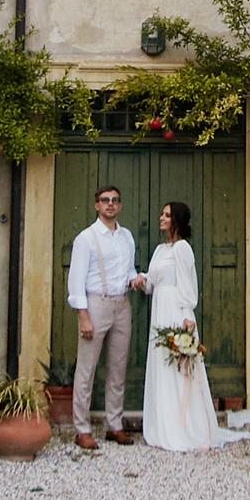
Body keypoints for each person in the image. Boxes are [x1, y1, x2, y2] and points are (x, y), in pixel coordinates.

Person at [138, 200, 247, 452]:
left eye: (166, 215)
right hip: (160, 309)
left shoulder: (182, 248)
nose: (161, 218)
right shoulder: (159, 250)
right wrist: (140, 280)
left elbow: (187, 283)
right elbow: (153, 284)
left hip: (177, 311)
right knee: (161, 364)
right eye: (162, 214)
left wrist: (187, 316)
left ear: (176, 220)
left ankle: (184, 425)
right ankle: (162, 424)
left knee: (179, 367)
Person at [66, 184, 139, 448]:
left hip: (122, 304)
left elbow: (129, 270)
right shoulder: (86, 238)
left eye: (115, 200)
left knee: (118, 369)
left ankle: (114, 425)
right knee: (86, 369)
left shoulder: (127, 237)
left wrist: (136, 280)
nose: (110, 204)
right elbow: (76, 280)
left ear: (119, 206)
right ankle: (82, 429)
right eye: (105, 200)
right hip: (95, 304)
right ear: (97, 205)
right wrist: (83, 315)